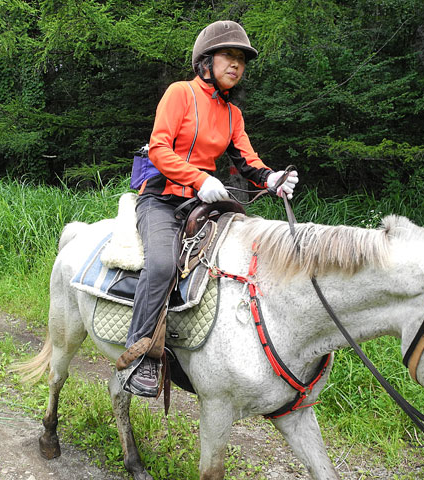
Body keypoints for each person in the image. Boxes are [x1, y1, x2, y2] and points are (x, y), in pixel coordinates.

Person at [121, 20, 299, 397]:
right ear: (206, 61)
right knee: (163, 264)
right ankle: (139, 354)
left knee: (248, 253)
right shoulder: (179, 93)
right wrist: (200, 179)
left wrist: (272, 178)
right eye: (228, 56)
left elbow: (247, 160)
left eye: (241, 60)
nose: (236, 65)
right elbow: (159, 149)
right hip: (163, 199)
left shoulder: (233, 115)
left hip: (205, 201)